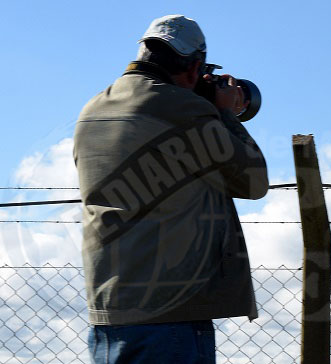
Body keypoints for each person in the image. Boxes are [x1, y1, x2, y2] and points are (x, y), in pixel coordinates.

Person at [74, 14, 268, 363]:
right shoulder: (184, 108)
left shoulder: (92, 109)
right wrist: (224, 113)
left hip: (108, 312)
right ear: (194, 69)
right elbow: (253, 181)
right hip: (170, 315)